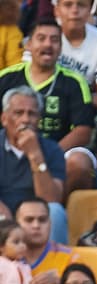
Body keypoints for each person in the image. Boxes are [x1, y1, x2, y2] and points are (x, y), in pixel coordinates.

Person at [0, 18, 96, 197]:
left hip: (59, 149)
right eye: (41, 38)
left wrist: (46, 153)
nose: (48, 44)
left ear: (61, 47)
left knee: (80, 162)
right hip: (8, 148)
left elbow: (83, 131)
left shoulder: (74, 82)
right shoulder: (6, 78)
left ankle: (62, 216)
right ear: (28, 45)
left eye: (54, 40)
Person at [0, 88, 68, 242]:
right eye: (18, 113)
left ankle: (54, 263)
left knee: (56, 212)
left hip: (34, 216)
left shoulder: (52, 149)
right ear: (4, 119)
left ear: (39, 120)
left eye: (32, 114)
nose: (26, 120)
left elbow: (51, 199)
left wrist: (35, 154)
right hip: (3, 213)